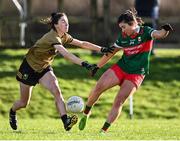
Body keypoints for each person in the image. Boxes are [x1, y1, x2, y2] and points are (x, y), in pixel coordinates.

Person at [9, 12, 114, 131]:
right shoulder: (52, 37)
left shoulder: (64, 35)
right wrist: (84, 64)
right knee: (23, 103)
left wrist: (102, 49)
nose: (66, 23)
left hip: (44, 68)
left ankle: (66, 122)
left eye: (67, 21)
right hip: (28, 68)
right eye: (63, 21)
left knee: (57, 91)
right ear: (55, 25)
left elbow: (82, 43)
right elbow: (67, 54)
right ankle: (12, 111)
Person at [79, 9, 173, 133]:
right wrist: (97, 66)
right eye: (121, 28)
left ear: (133, 24)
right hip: (122, 67)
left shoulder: (146, 32)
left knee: (119, 100)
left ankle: (103, 131)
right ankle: (86, 113)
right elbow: (111, 52)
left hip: (137, 73)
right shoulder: (123, 36)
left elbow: (159, 34)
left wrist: (165, 29)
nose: (122, 30)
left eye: (123, 27)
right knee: (98, 87)